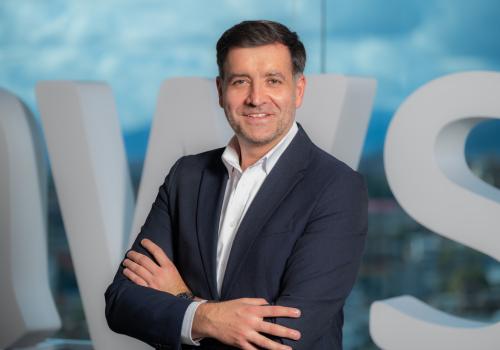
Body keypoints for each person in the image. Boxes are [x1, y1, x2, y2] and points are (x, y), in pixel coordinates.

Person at [105, 20, 367, 350]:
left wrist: (184, 301)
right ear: (220, 90)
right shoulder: (187, 177)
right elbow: (121, 302)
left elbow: (282, 341)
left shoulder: (336, 187)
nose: (256, 98)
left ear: (298, 90)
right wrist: (208, 317)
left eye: (273, 80)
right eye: (241, 81)